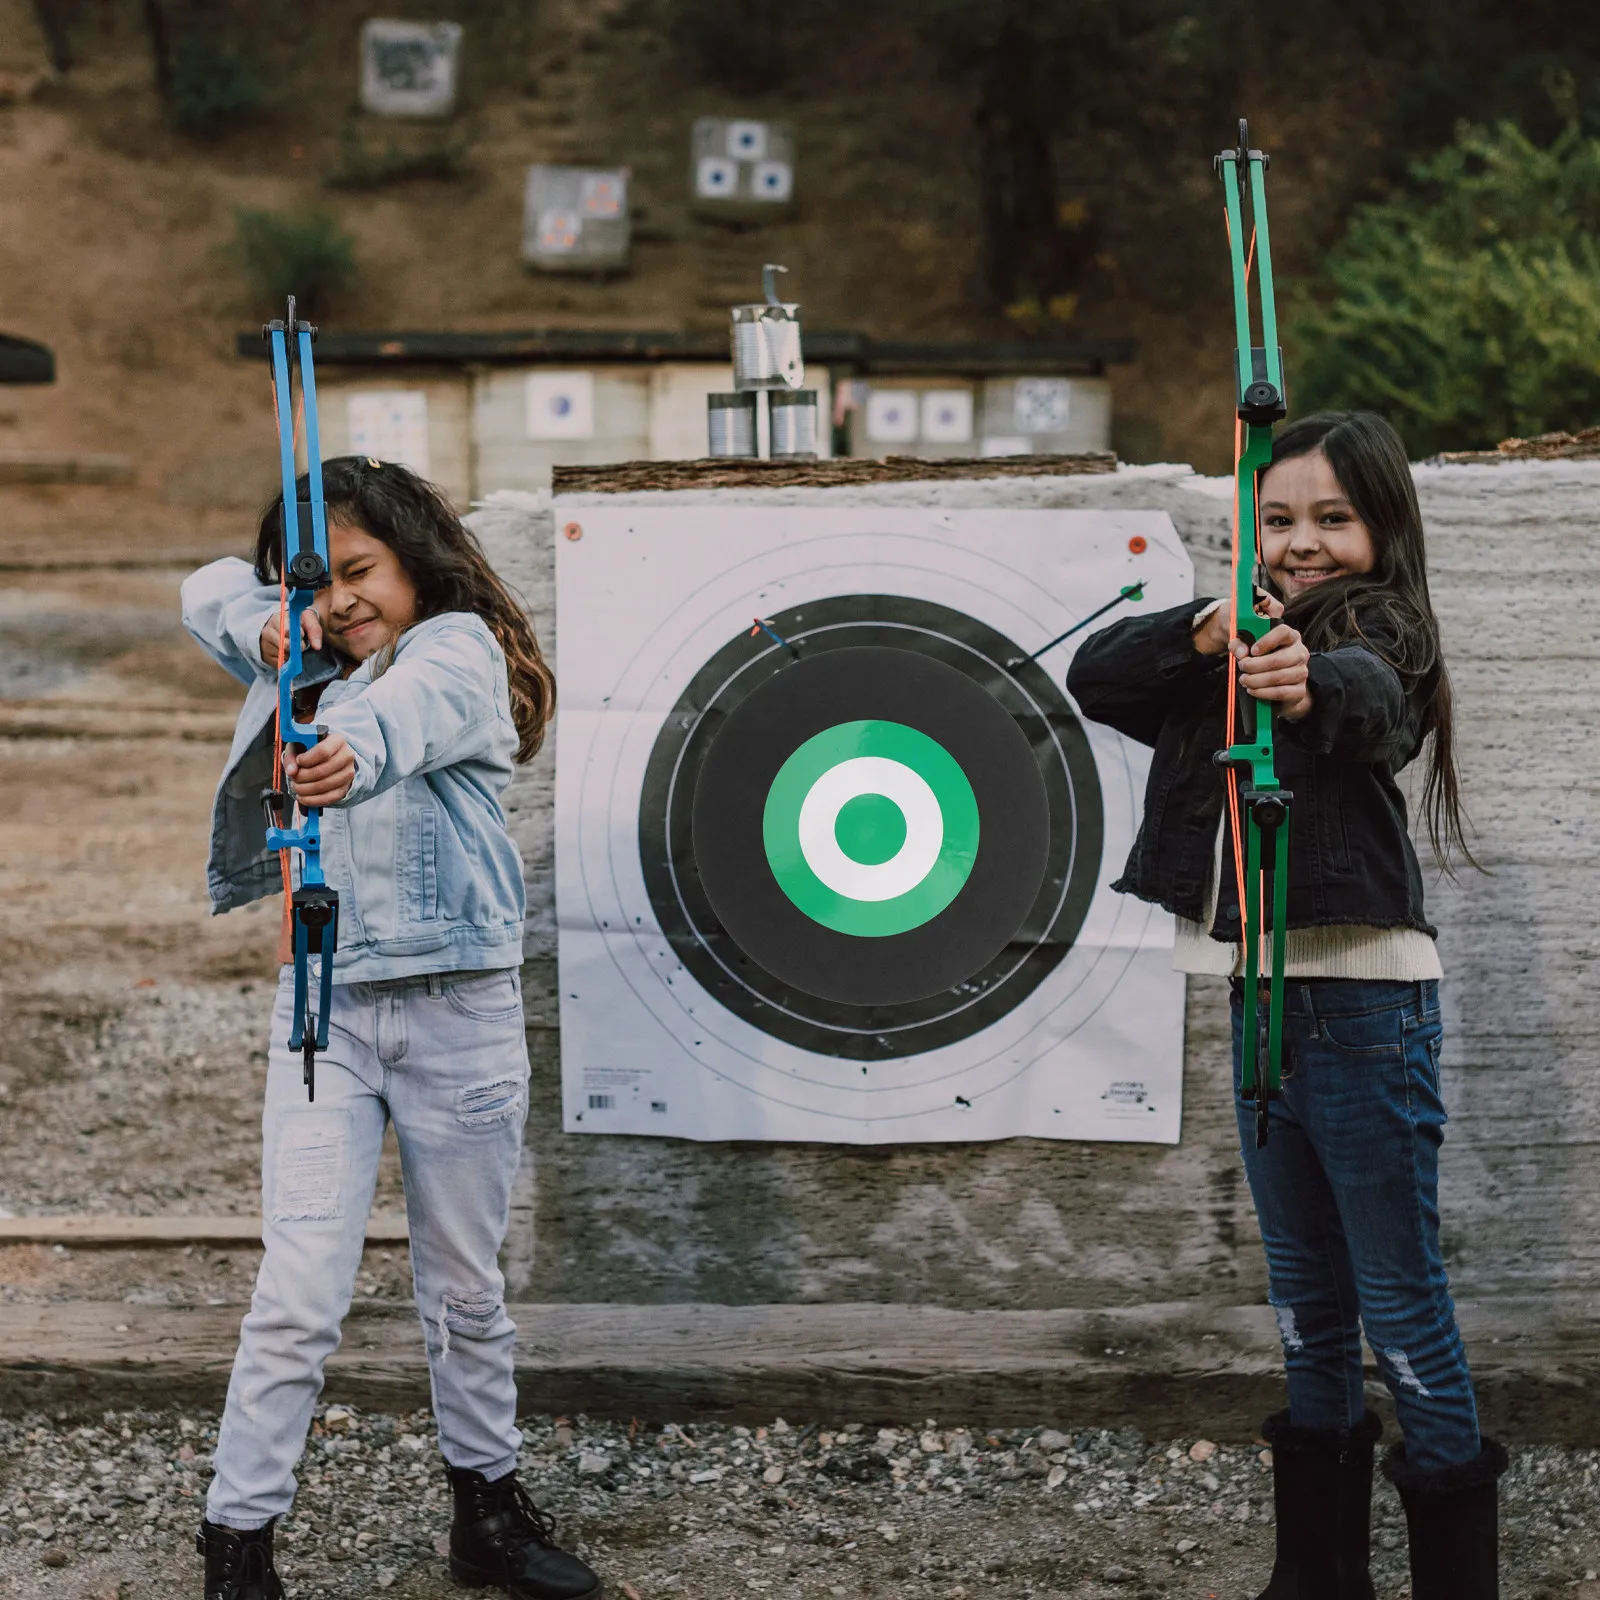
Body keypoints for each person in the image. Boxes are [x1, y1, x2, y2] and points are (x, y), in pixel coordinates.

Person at [1067, 411, 1506, 1600]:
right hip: (1257, 996)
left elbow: (1371, 699)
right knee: (1307, 1304)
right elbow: (1095, 675)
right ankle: (1315, 1577)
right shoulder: (1231, 638)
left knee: (1398, 1304)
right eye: (1277, 519)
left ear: (1382, 529)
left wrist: (1303, 685)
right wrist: (1208, 628)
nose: (1301, 542)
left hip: (1361, 1009)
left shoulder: (1386, 629)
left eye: (1332, 518)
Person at [180, 457, 600, 1600]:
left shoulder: (458, 649)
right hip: (325, 1014)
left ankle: (486, 1516)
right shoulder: (301, 647)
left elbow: (401, 718)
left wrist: (341, 752)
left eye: (359, 570)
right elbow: (204, 588)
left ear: (417, 560)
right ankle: (237, 1544)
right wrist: (270, 623)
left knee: (463, 1288)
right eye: (314, 582)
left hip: (457, 1012)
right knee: (297, 1292)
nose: (339, 599)